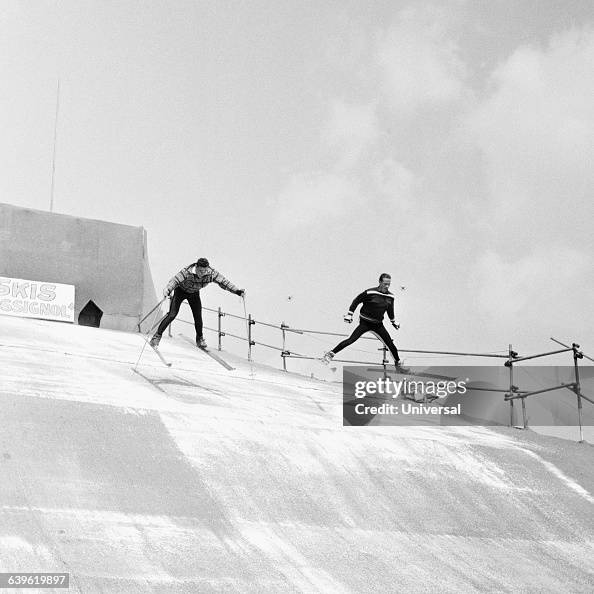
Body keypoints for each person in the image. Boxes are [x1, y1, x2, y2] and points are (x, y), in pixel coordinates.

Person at [150, 257, 244, 349]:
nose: (201, 274)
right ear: (196, 267)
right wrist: (168, 289)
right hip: (180, 291)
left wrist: (237, 291)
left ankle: (200, 339)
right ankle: (156, 337)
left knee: (198, 316)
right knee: (172, 314)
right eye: (200, 271)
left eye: (204, 271)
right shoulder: (187, 271)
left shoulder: (211, 274)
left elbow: (224, 282)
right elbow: (174, 280)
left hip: (194, 294)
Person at [322, 273, 409, 372]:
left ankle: (398, 366)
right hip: (365, 323)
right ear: (380, 282)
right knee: (351, 340)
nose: (387, 286)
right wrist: (350, 314)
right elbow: (356, 301)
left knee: (391, 345)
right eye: (385, 284)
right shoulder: (370, 292)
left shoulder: (390, 296)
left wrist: (394, 322)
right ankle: (329, 354)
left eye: (389, 284)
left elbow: (390, 311)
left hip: (378, 325)